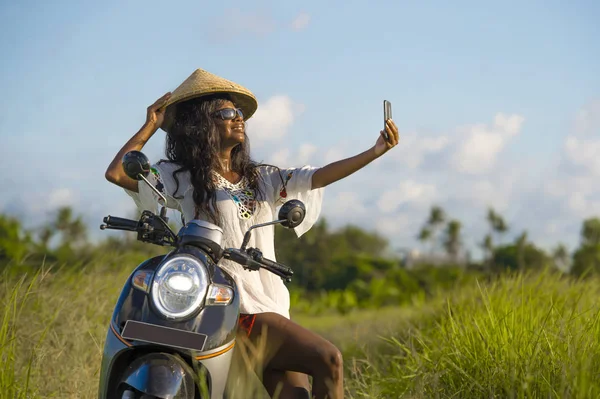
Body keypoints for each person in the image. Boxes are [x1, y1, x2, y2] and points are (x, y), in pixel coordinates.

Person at [105, 69, 399, 399]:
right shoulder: (182, 178)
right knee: (328, 358)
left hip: (272, 305)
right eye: (227, 113)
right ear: (203, 124)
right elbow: (118, 172)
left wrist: (374, 151)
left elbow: (317, 177)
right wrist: (151, 125)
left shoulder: (263, 178)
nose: (238, 119)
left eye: (240, 113)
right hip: (236, 308)